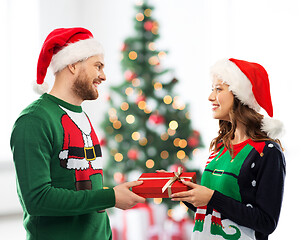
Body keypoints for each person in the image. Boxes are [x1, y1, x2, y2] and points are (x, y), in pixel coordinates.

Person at [10, 27, 145, 240]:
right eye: (97, 66)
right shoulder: (34, 121)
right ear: (72, 64)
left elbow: (83, 186)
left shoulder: (81, 116)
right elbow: (37, 199)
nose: (103, 76)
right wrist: (110, 196)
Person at [171, 58, 285, 240]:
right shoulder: (221, 145)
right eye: (212, 89)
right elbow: (213, 209)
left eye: (218, 89)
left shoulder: (268, 151)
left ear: (239, 95)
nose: (210, 97)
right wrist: (182, 191)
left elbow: (266, 222)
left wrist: (211, 197)